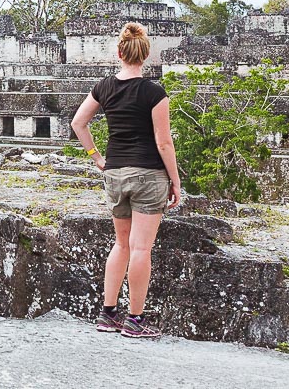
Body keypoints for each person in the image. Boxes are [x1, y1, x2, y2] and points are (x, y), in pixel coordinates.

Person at [70, 21, 182, 339]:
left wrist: (97, 158)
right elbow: (164, 143)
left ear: (119, 53)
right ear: (144, 56)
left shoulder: (104, 87)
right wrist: (175, 181)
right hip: (148, 174)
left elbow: (79, 123)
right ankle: (135, 318)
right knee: (141, 248)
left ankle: (108, 314)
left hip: (115, 173)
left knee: (121, 244)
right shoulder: (154, 93)